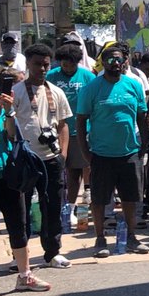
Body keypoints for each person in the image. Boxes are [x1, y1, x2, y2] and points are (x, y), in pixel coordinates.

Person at [76, 44, 149, 257]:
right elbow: (81, 122)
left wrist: (144, 144)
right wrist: (86, 153)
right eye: (110, 60)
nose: (115, 64)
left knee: (130, 198)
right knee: (100, 199)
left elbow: (141, 117)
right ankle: (100, 239)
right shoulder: (91, 89)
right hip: (101, 154)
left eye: (119, 60)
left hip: (129, 152)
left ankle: (132, 238)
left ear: (125, 62)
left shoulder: (133, 85)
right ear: (103, 62)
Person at [12, 44, 73, 269]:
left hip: (51, 157)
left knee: (53, 206)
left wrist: (63, 154)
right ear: (28, 64)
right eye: (38, 64)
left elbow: (64, 125)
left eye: (46, 64)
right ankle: (20, 254)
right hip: (25, 160)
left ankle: (53, 252)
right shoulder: (16, 91)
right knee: (21, 209)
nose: (43, 69)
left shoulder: (56, 92)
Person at [0, 83, 51, 291]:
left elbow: (12, 137)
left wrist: (8, 113)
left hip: (7, 176)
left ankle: (25, 275)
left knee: (18, 226)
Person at [46, 42, 95, 207]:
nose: (67, 68)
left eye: (71, 65)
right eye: (64, 64)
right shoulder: (51, 76)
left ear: (78, 62)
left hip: (81, 130)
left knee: (82, 169)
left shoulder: (87, 77)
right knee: (66, 172)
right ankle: (65, 205)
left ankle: (78, 203)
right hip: (56, 130)